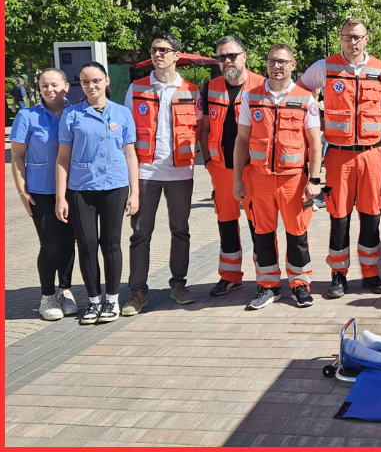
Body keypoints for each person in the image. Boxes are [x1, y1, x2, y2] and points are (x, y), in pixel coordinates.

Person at [297, 17, 381, 299]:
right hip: (338, 155)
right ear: (341, 38)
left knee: (372, 215)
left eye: (358, 37)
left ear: (366, 39)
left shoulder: (380, 68)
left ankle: (371, 273)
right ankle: (338, 275)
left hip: (372, 153)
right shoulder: (324, 66)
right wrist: (312, 120)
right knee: (339, 216)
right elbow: (300, 92)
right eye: (348, 36)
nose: (353, 42)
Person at [232, 43, 322, 310]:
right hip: (259, 179)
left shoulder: (306, 98)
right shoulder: (251, 97)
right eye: (272, 61)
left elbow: (315, 143)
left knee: (297, 234)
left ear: (293, 65)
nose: (277, 66)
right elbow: (242, 140)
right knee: (262, 234)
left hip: (292, 181)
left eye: (282, 62)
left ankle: (300, 285)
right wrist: (238, 179)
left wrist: (314, 179)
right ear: (266, 64)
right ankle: (268, 286)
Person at [55, 62, 139, 325]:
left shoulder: (122, 113)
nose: (91, 86)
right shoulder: (72, 116)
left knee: (111, 244)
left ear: (106, 82)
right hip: (81, 188)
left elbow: (130, 154)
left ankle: (111, 299)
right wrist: (60, 196)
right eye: (84, 81)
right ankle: (93, 300)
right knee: (88, 244)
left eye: (95, 80)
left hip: (115, 185)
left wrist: (135, 192)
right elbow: (62, 159)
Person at [123, 32, 200, 314]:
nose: (158, 54)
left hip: (181, 173)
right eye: (154, 49)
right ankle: (137, 292)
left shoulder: (192, 90)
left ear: (177, 55)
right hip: (145, 173)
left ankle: (179, 285)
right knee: (140, 233)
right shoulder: (137, 87)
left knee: (180, 230)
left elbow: (199, 130)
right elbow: (127, 134)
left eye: (164, 50)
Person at [200, 36, 266, 297]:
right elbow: (204, 128)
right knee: (226, 223)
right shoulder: (210, 87)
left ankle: (266, 278)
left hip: (254, 169)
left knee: (259, 225)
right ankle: (229, 276)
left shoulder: (262, 85)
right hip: (221, 169)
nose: (226, 61)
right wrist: (207, 160)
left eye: (232, 56)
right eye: (221, 57)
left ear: (244, 56)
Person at [12, 69, 78, 321]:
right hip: (41, 191)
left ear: (66, 86)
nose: (50, 90)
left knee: (69, 242)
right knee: (50, 244)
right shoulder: (27, 116)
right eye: (44, 86)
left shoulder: (76, 113)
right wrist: (21, 191)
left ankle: (65, 290)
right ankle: (47, 296)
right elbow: (17, 156)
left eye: (54, 85)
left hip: (73, 188)